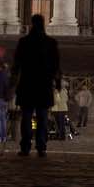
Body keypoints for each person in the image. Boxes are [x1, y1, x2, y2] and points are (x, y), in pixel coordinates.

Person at [10, 14, 61, 158]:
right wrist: (57, 82)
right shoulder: (50, 42)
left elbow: (17, 64)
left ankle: (25, 146)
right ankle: (41, 147)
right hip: (44, 85)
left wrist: (13, 80)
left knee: (26, 116)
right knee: (42, 117)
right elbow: (56, 65)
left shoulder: (24, 42)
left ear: (32, 23)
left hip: (27, 84)